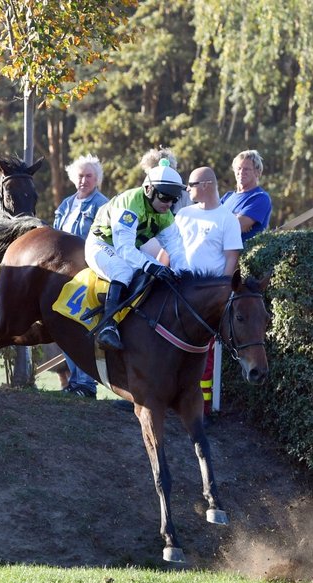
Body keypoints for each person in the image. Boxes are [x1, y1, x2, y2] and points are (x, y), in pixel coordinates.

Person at [165, 166, 243, 419]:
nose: (187, 189)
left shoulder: (226, 219)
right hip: (179, 292)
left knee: (203, 356)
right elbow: (169, 249)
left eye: (192, 184)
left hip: (207, 301)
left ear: (207, 185)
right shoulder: (183, 214)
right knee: (168, 348)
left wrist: (223, 293)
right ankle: (163, 399)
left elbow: (232, 258)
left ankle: (202, 409)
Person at [86, 158, 187, 351]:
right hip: (101, 244)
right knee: (123, 271)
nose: (170, 203)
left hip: (129, 249)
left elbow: (177, 249)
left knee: (160, 276)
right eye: (165, 197)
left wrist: (183, 275)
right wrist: (152, 266)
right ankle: (108, 326)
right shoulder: (130, 204)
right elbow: (124, 248)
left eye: (175, 199)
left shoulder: (165, 214)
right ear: (149, 190)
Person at [53, 154, 110, 397]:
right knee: (64, 326)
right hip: (61, 274)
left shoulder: (102, 205)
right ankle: (75, 382)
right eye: (80, 176)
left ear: (97, 179)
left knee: (83, 327)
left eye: (88, 176)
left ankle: (86, 384)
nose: (83, 180)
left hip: (87, 274)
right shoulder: (66, 204)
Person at [220, 149, 272, 243]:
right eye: (239, 168)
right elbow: (210, 219)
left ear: (258, 172)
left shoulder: (260, 198)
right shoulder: (227, 196)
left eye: (246, 169)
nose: (241, 172)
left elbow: (237, 226)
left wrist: (226, 218)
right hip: (217, 254)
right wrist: (234, 217)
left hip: (241, 256)